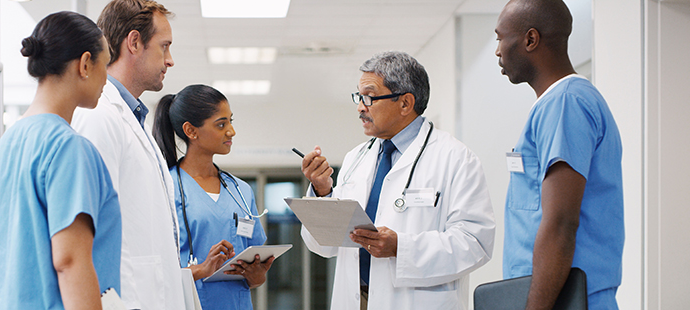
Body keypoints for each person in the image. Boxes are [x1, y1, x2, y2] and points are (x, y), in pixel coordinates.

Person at [299, 51, 495, 310]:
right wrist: (322, 192)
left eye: (369, 97)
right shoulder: (356, 157)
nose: (360, 107)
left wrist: (401, 247)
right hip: (355, 299)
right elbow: (325, 246)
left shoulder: (456, 159)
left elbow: (476, 242)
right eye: (358, 97)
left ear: (405, 103)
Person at [0, 11, 119, 310]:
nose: (107, 77)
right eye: (105, 64)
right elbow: (69, 261)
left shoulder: (7, 144)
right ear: (85, 64)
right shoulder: (69, 148)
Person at [494, 1, 624, 309]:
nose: (498, 50)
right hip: (557, 296)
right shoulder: (558, 104)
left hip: (567, 300)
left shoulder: (566, 103)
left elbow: (561, 222)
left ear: (530, 40)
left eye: (501, 37)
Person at [70, 0, 185, 308]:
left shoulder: (133, 118)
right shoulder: (99, 117)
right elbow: (88, 233)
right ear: (134, 42)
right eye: (164, 47)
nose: (170, 60)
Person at [152, 84, 272, 309]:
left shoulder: (240, 190)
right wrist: (201, 269)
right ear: (191, 131)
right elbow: (153, 271)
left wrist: (256, 275)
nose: (231, 131)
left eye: (231, 121)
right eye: (221, 124)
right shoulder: (164, 188)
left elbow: (256, 280)